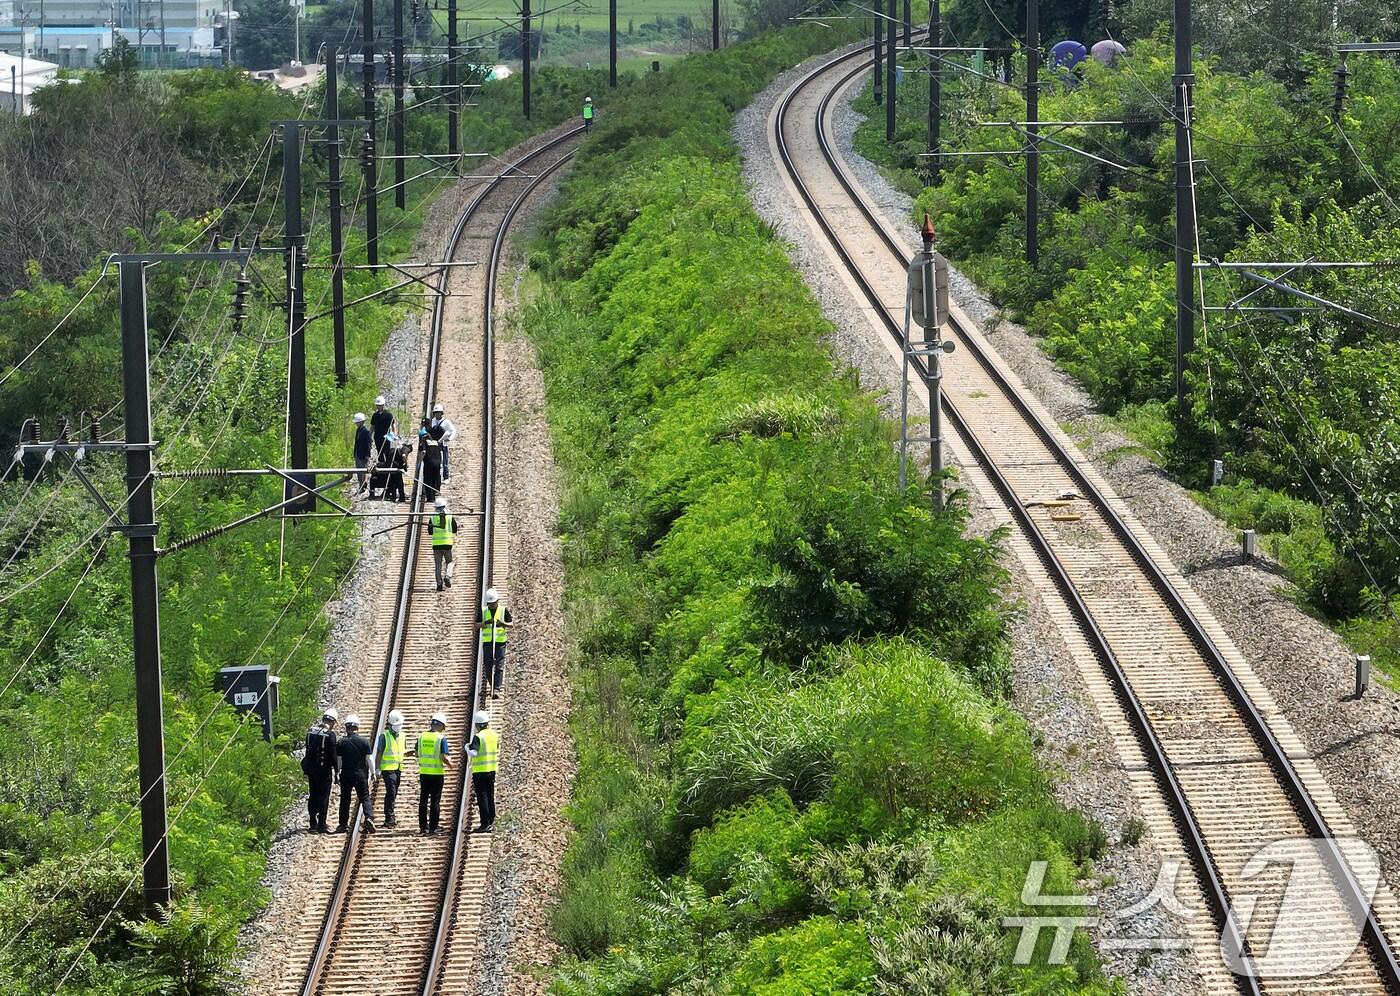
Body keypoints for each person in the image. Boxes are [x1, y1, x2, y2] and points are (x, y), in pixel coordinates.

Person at [411, 711, 452, 836]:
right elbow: (443, 756)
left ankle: (423, 827)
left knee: (423, 800)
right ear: (441, 725)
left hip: (424, 773)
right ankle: (433, 828)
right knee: (435, 800)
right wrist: (450, 765)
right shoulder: (441, 738)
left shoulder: (421, 736)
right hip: (437, 774)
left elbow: (417, 753)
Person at [335, 714, 377, 833]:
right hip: (361, 774)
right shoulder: (364, 742)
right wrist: (373, 772)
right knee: (364, 797)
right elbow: (369, 759)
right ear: (357, 727)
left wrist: (337, 772)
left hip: (346, 774)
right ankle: (369, 817)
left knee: (345, 799)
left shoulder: (341, 742)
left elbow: (339, 760)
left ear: (346, 727)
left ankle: (343, 824)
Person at [302, 707, 339, 833]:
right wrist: (337, 771)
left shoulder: (310, 731)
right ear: (332, 722)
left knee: (313, 794)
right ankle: (322, 823)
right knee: (324, 796)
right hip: (324, 771)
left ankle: (312, 823)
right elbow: (333, 755)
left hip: (311, 770)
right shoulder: (330, 735)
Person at [373, 709, 406, 828]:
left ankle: (390, 814)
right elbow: (379, 753)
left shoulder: (402, 736)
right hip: (388, 769)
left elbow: (400, 751)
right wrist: (377, 769)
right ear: (391, 725)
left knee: (394, 792)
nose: (399, 727)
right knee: (391, 792)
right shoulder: (384, 736)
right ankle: (389, 817)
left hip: (398, 768)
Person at [467, 709, 498, 833]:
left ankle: (485, 824)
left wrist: (467, 748)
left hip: (480, 771)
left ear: (477, 725)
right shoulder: (494, 735)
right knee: (490, 795)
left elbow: (473, 753)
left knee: (482, 797)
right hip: (492, 769)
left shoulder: (478, 737)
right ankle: (491, 820)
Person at [481, 588, 512, 699]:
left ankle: (497, 688)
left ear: (497, 601)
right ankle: (492, 686)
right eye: (490, 604)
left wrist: (503, 624)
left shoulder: (503, 610)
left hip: (500, 642)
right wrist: (485, 623)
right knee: (488, 665)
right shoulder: (484, 611)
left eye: (493, 604)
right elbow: (476, 625)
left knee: (499, 665)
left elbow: (511, 624)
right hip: (488, 643)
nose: (492, 606)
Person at [429, 496, 458, 591]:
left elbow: (430, 531)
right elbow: (454, 529)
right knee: (450, 562)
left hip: (436, 545)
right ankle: (448, 575)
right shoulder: (449, 516)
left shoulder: (432, 517)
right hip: (447, 544)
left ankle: (439, 584)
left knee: (438, 565)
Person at [425, 403, 456, 481]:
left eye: (439, 413)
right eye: (436, 413)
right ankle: (436, 476)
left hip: (443, 443)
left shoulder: (446, 422)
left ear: (441, 413)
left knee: (445, 460)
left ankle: (446, 476)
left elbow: (453, 431)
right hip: (434, 444)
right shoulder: (432, 421)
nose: (437, 414)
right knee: (436, 461)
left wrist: (449, 438)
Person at [370, 395, 396, 465]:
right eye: (377, 405)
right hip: (377, 437)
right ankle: (381, 466)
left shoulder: (388, 415)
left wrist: (393, 434)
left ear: (383, 405)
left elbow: (393, 425)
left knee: (387, 452)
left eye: (380, 405)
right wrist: (370, 436)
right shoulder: (375, 415)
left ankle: (388, 466)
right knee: (380, 453)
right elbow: (372, 426)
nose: (379, 407)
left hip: (386, 437)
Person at [384, 434, 411, 503]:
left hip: (390, 467)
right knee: (400, 483)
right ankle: (402, 497)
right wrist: (406, 464)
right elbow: (404, 456)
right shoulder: (405, 448)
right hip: (396, 467)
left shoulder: (391, 449)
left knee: (392, 482)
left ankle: (393, 497)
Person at [352, 413, 372, 494]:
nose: (356, 424)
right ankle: (361, 485)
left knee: (363, 470)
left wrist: (367, 455)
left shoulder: (365, 431)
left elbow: (368, 444)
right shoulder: (358, 430)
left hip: (363, 455)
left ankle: (363, 485)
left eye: (357, 422)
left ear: (361, 422)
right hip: (358, 454)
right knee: (359, 471)